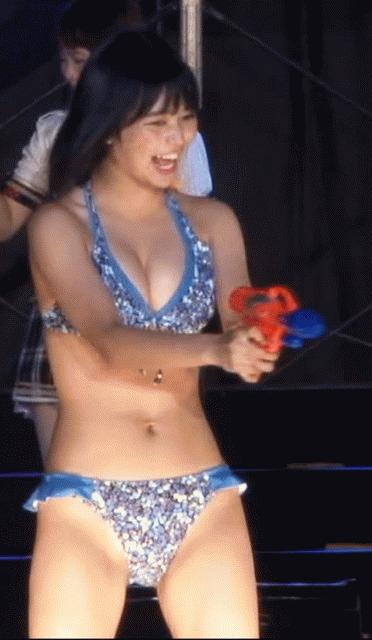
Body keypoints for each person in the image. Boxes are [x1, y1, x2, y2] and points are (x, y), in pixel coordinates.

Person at [24, 29, 277, 639]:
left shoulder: (213, 221)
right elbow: (108, 338)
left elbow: (241, 311)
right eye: (158, 124)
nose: (178, 139)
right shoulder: (58, 226)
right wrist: (217, 349)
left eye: (186, 121)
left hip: (201, 492)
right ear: (112, 126)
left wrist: (258, 334)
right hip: (87, 501)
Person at [0, 0, 212, 462]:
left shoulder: (175, 141)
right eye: (64, 60)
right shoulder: (56, 133)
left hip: (152, 327)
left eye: (80, 61)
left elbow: (197, 236)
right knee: (72, 481)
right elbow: (10, 217)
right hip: (68, 332)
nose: (69, 74)